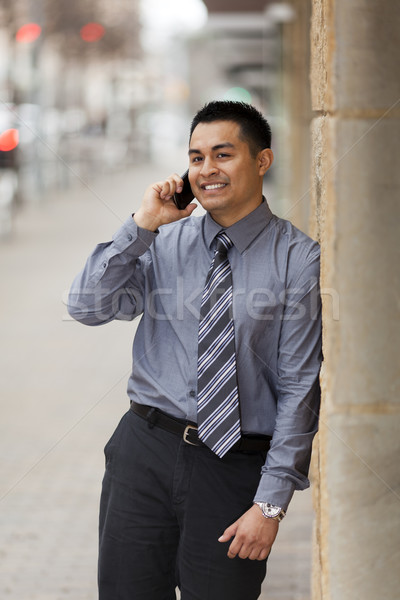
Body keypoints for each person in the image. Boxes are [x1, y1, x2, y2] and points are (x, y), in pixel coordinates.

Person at [68, 100, 322, 600]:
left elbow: (298, 386)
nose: (207, 170)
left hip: (233, 466)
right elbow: (87, 306)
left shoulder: (298, 257)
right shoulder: (162, 242)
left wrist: (271, 504)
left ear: (262, 161)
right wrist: (140, 226)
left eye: (223, 155)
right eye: (197, 157)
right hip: (145, 450)